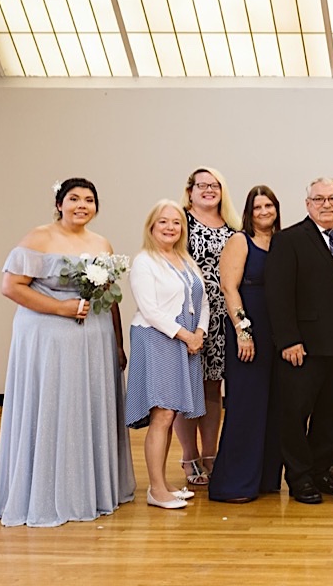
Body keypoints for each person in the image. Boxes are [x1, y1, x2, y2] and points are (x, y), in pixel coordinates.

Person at [0, 178, 136, 527]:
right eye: (73, 199)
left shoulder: (101, 242)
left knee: (87, 407)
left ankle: (92, 489)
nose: (81, 205)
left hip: (94, 340)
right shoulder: (38, 238)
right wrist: (62, 309)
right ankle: (47, 493)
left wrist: (117, 342)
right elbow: (11, 287)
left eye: (88, 199)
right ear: (59, 203)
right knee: (55, 406)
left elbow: (111, 298)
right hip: (48, 339)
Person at [265, 178, 333, 505]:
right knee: (294, 414)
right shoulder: (289, 240)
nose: (327, 204)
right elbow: (278, 295)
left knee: (328, 414)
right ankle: (299, 477)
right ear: (307, 204)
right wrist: (289, 339)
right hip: (303, 347)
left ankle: (322, 470)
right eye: (319, 199)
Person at [125, 200, 210, 510]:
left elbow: (203, 301)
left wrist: (200, 331)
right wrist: (186, 335)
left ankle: (164, 482)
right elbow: (150, 309)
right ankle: (155, 489)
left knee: (171, 413)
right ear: (151, 226)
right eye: (163, 222)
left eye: (176, 222)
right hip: (157, 338)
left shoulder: (185, 260)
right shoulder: (144, 261)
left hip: (185, 340)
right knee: (161, 413)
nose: (170, 227)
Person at [208, 186, 283, 503]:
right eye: (258, 207)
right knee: (246, 406)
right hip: (249, 328)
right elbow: (229, 287)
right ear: (249, 212)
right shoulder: (240, 241)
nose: (264, 211)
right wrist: (243, 330)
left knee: (273, 407)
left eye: (269, 205)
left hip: (276, 330)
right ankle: (233, 483)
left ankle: (265, 479)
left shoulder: (281, 242)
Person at [177, 167, 240, 487]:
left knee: (214, 386)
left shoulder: (232, 227)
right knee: (188, 388)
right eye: (201, 185)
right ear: (190, 191)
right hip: (188, 317)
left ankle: (211, 454)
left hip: (223, 317)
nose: (208, 190)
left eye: (214, 185)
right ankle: (189, 456)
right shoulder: (180, 222)